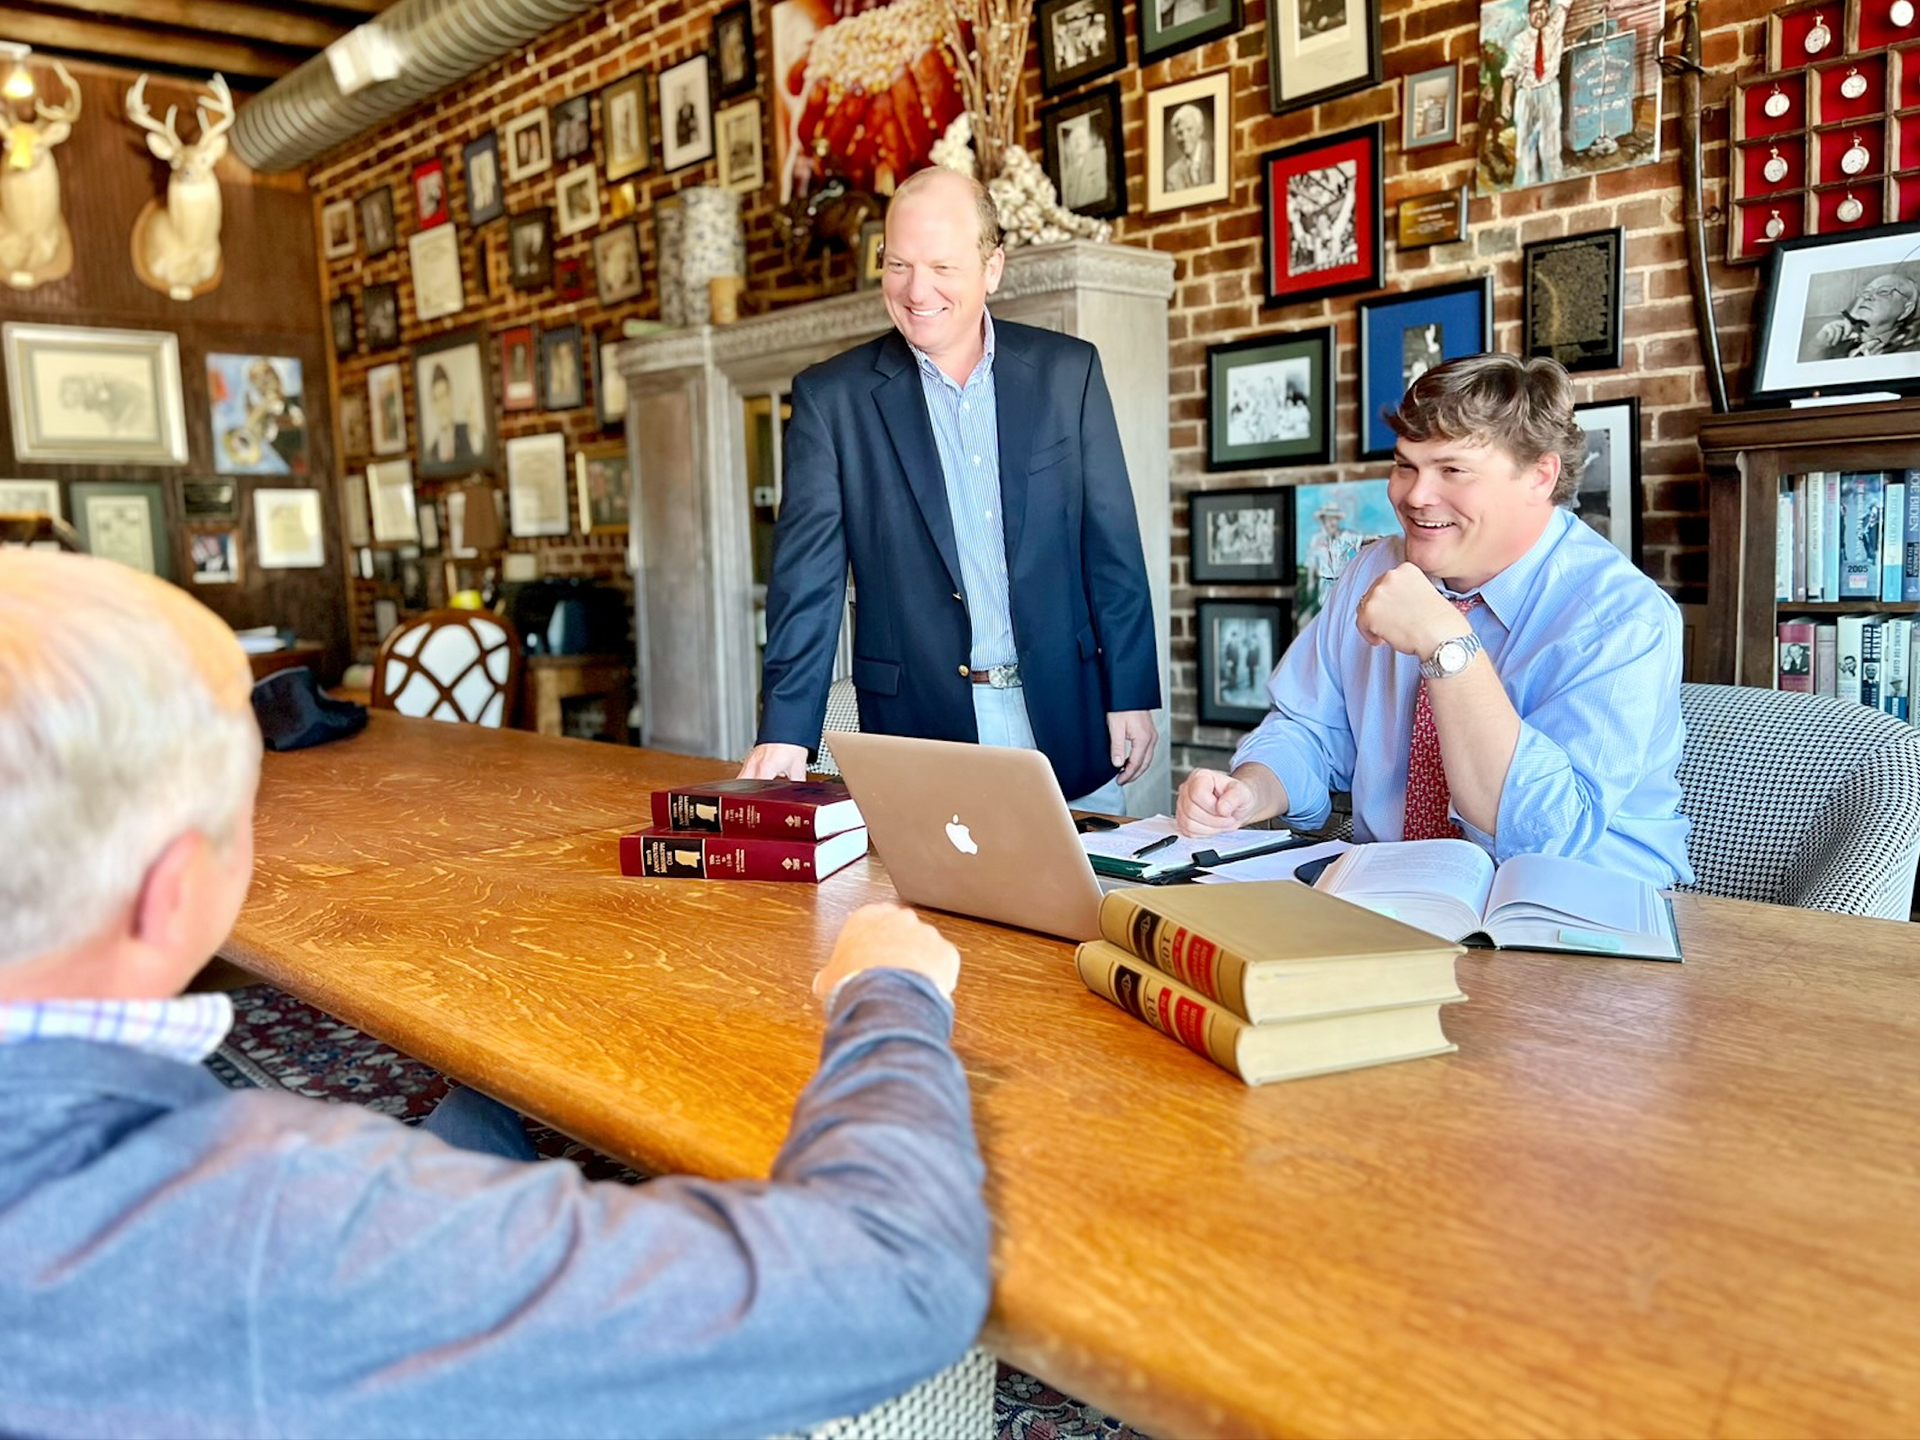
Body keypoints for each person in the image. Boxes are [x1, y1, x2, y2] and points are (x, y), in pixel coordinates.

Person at [0, 551, 989, 1435]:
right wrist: (887, 991)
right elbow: (896, 1276)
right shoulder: (274, 1227)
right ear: (173, 895)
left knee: (480, 1114)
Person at [1176, 353, 1694, 887]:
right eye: (1405, 465)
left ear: (1539, 475)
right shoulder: (1370, 571)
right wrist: (1253, 790)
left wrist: (1447, 644)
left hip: (1583, 914)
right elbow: (1307, 728)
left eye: (1452, 470)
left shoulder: (1620, 617)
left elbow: (1544, 837)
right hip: (1394, 897)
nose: (1415, 496)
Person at [739, 167, 1159, 811]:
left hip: (1071, 723)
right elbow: (808, 581)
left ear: (992, 268)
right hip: (918, 734)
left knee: (1081, 912)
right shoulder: (832, 400)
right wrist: (787, 732)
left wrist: (1130, 690)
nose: (917, 289)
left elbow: (1111, 547)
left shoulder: (1068, 373)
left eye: (942, 266)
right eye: (899, 264)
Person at [1501, 0, 1571, 188]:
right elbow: (1509, 75)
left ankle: (1554, 185)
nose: (1539, 14)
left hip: (1549, 90)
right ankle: (1525, 187)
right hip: (1526, 93)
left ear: (1549, 10)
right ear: (1528, 14)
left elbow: (1565, 3)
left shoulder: (1555, 27)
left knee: (1550, 143)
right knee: (1525, 145)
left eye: (1543, 9)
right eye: (1534, 10)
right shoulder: (1519, 41)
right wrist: (1505, 102)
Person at [1813, 272, 1920, 358]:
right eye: (1866, 291)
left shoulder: (1913, 352)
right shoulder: (1832, 345)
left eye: (1883, 291)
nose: (1867, 296)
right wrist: (1816, 346)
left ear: (1906, 310)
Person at [425, 363, 477, 467]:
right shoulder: (432, 452)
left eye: (445, 395)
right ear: (433, 406)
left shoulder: (467, 432)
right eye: (437, 399)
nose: (442, 405)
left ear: (451, 397)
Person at [1163, 103, 1212, 191]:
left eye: (1189, 129)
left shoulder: (1216, 154)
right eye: (1179, 133)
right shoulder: (1172, 174)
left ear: (1200, 129)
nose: (1184, 137)